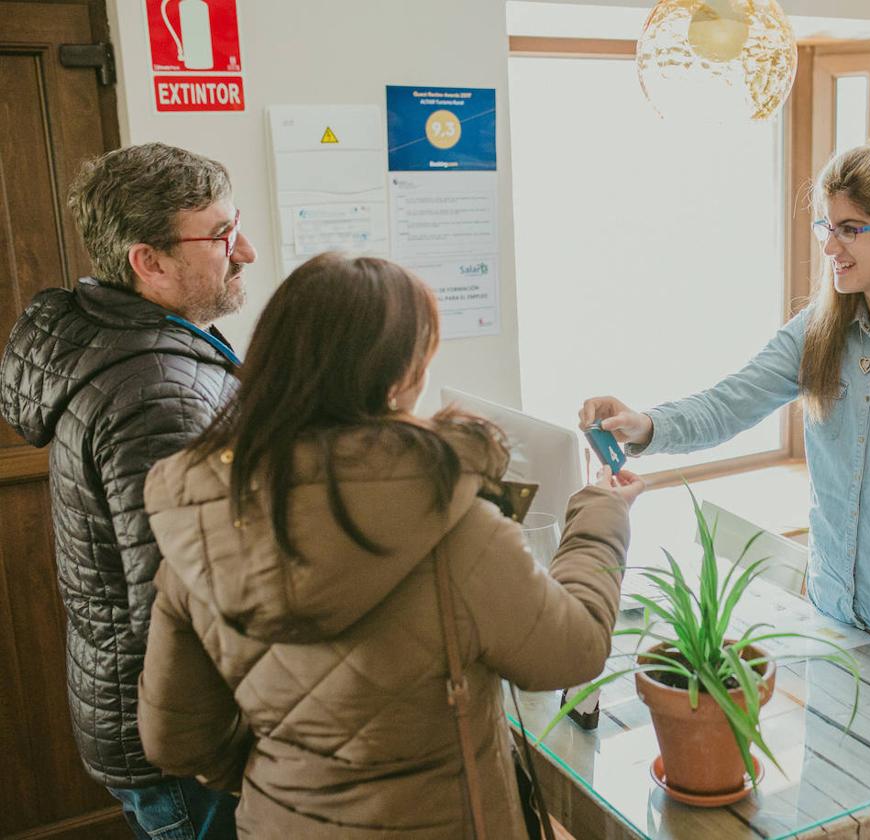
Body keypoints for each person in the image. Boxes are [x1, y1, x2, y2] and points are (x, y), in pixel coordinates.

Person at [136, 252, 643, 838]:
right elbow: (572, 653)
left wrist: (289, 777)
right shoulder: (452, 525)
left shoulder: (202, 523)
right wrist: (601, 513)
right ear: (401, 378)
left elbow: (175, 736)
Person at [580, 142, 870, 680]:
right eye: (826, 226)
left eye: (850, 228)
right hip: (833, 622)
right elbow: (729, 404)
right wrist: (644, 425)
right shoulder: (818, 332)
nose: (829, 246)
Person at [0, 142, 256, 837]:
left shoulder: (130, 342)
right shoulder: (156, 394)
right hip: (185, 743)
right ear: (150, 262)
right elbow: (180, 601)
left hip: (147, 716)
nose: (247, 251)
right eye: (223, 235)